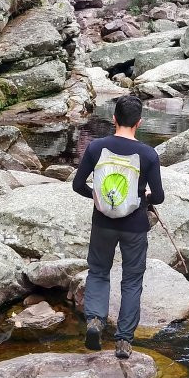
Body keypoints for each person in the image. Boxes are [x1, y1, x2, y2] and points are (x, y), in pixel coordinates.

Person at [72, 95, 164, 359]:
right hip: (134, 225)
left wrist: (100, 198)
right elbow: (158, 196)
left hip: (102, 222)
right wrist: (143, 198)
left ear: (114, 119)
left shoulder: (96, 147)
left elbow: (78, 185)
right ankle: (123, 341)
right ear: (139, 123)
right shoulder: (148, 154)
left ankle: (95, 322)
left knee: (99, 272)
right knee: (131, 281)